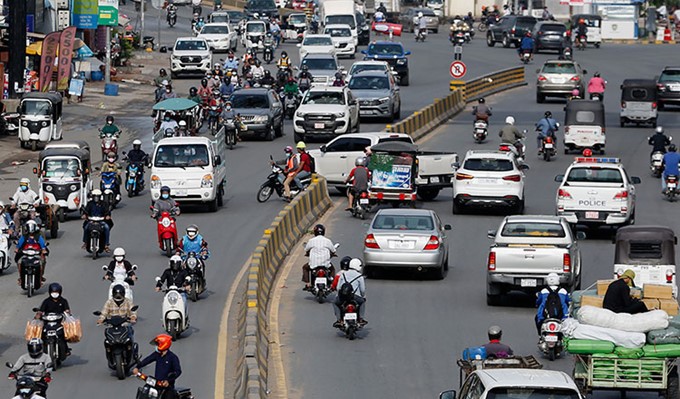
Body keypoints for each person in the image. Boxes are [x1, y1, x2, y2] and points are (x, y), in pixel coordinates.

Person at [132, 334, 182, 399]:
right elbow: (147, 360)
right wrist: (137, 367)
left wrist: (168, 380)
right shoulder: (157, 354)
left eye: (158, 344)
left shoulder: (173, 357)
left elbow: (178, 371)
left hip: (167, 387)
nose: (156, 346)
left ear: (163, 344)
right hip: (156, 383)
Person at [35, 283, 72, 358]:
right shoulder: (46, 301)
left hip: (59, 323)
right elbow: (41, 311)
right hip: (47, 323)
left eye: (56, 292)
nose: (55, 294)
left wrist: (67, 313)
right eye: (53, 292)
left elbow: (67, 310)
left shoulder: (63, 301)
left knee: (62, 336)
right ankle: (41, 351)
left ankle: (66, 350)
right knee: (41, 335)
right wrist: (38, 315)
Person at [332, 258, 367, 327]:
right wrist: (363, 297)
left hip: (343, 297)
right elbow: (362, 290)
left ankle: (339, 320)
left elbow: (338, 288)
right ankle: (361, 319)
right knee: (362, 302)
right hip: (354, 297)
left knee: (335, 302)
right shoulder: (360, 276)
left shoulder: (343, 274)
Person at [302, 224, 337, 289]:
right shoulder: (327, 241)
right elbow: (333, 250)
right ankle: (332, 284)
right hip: (325, 265)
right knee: (332, 269)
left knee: (305, 268)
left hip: (313, 264)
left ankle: (307, 283)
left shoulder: (311, 241)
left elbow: (306, 249)